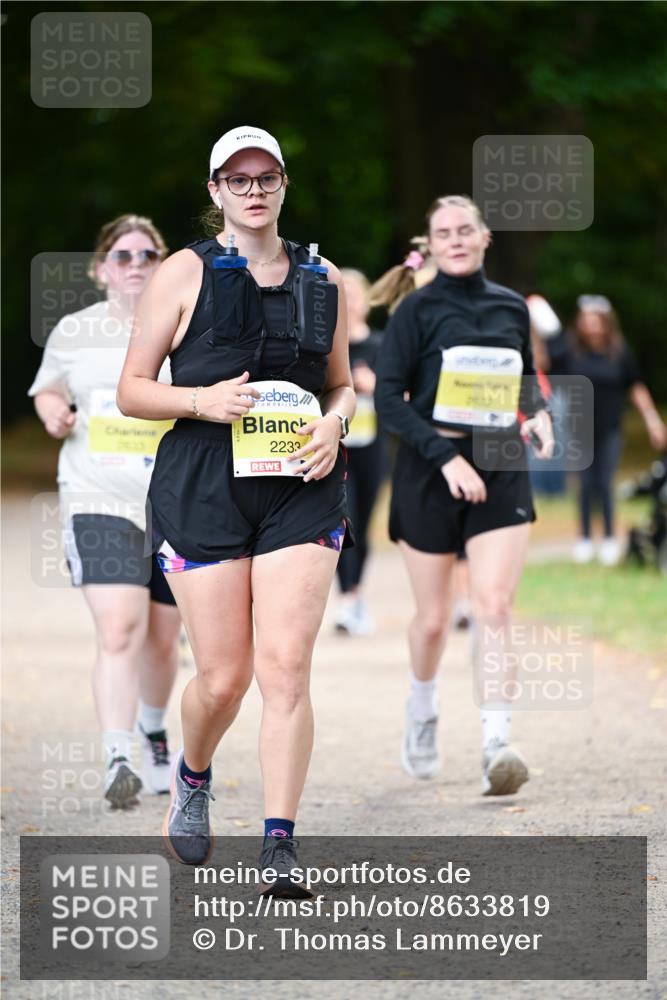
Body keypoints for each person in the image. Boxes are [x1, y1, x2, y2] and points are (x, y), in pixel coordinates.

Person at [117, 126, 355, 889]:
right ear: (215, 190)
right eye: (237, 178)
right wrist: (199, 399)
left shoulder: (323, 280)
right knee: (224, 678)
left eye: (267, 176)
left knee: (285, 668)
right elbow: (132, 390)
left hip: (302, 488)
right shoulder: (182, 274)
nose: (254, 190)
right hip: (202, 485)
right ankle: (192, 776)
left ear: (284, 185)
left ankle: (279, 844)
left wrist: (335, 423)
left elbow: (343, 383)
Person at [374, 195, 554, 796]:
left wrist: (539, 416)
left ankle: (497, 743)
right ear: (430, 245)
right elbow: (386, 403)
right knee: (431, 621)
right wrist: (446, 457)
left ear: (484, 237)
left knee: (494, 605)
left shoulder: (510, 307)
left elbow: (524, 378)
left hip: (500, 462)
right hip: (432, 469)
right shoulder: (415, 312)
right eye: (442, 233)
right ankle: (421, 711)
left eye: (464, 230)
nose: (454, 239)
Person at [29, 214, 181, 808]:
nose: (137, 265)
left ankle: (153, 727)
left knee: (164, 642)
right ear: (101, 269)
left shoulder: (186, 328)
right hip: (97, 498)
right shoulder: (75, 330)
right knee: (120, 627)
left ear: (163, 264)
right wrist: (51, 412)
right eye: (124, 256)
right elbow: (48, 387)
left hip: (172, 503)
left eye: (148, 255)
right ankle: (119, 754)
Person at [540, 294, 667, 565]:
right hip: (579, 428)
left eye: (597, 321)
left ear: (606, 324)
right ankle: (584, 538)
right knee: (585, 485)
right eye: (587, 321)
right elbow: (543, 364)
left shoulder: (619, 353)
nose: (592, 326)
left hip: (610, 428)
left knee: (604, 482)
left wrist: (652, 420)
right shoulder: (569, 351)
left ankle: (609, 537)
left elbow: (636, 386)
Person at [333, 269, 386, 636]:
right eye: (342, 294)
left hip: (373, 447)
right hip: (336, 448)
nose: (349, 301)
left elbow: (403, 397)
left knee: (363, 527)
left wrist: (374, 386)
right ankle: (347, 601)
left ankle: (356, 597)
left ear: (366, 302)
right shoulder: (329, 346)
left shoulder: (382, 345)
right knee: (343, 522)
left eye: (354, 294)